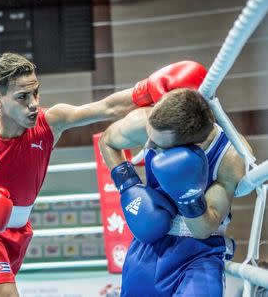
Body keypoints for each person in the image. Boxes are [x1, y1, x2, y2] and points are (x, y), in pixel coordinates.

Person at [0, 52, 206, 297]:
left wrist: (147, 90)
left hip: (18, 232)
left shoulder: (50, 122)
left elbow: (106, 107)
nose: (34, 104)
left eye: (36, 92)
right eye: (22, 97)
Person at [99, 87, 251, 296]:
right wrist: (128, 184)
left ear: (189, 147)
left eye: (158, 144)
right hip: (149, 245)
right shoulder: (147, 122)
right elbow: (107, 140)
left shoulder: (230, 155)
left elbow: (202, 230)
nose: (149, 145)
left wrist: (187, 194)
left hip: (199, 253)